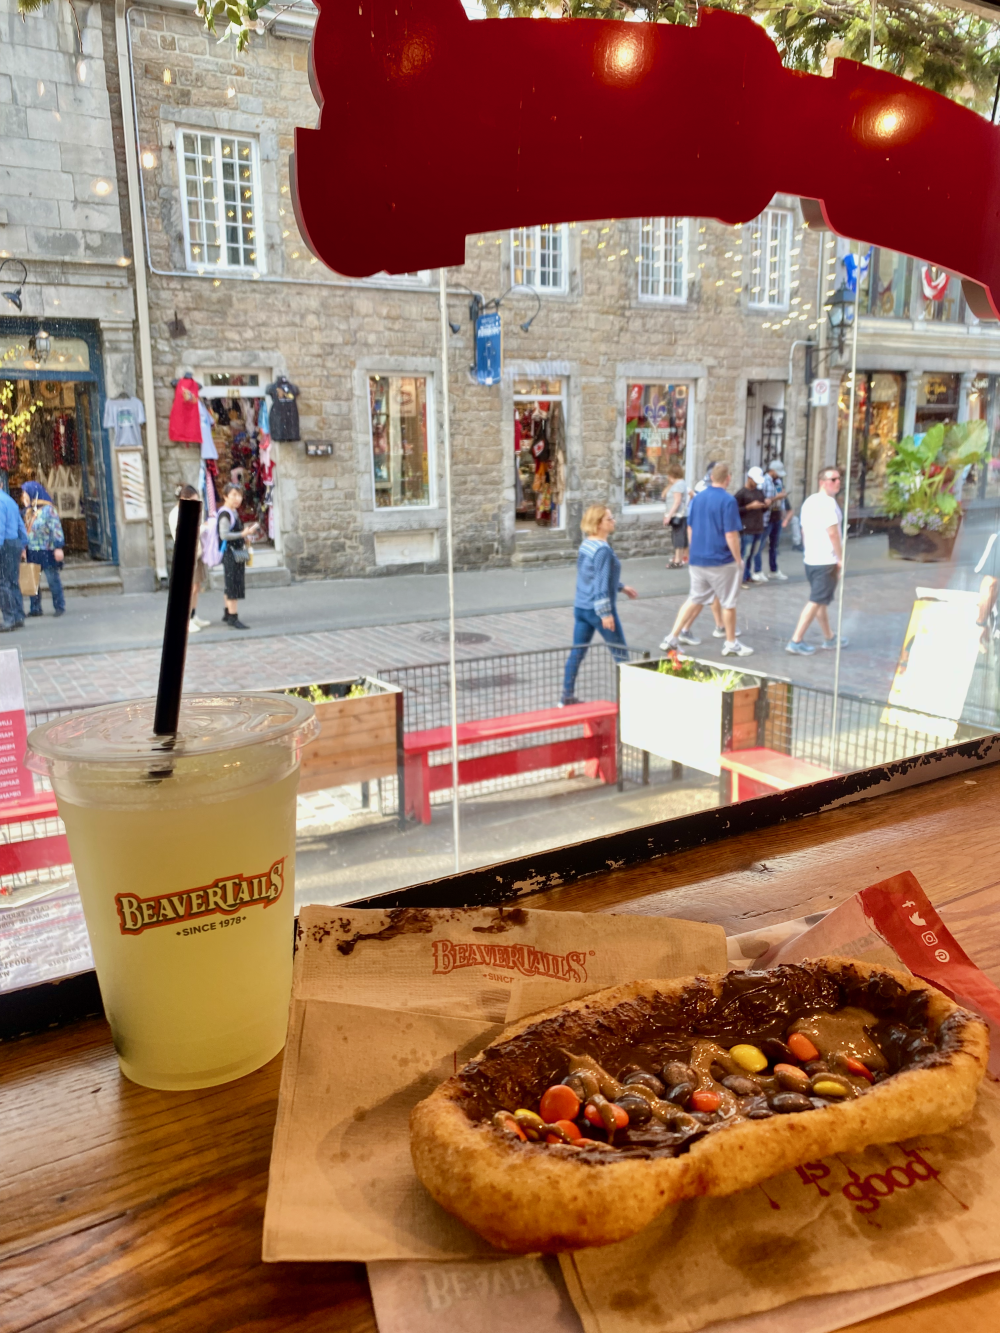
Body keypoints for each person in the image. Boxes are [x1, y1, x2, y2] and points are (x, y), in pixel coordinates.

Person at [659, 461, 753, 658]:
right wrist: (738, 560)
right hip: (721, 560)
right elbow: (731, 534)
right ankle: (731, 643)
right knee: (728, 602)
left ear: (711, 477)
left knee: (694, 598)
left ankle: (672, 637)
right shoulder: (728, 501)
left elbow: (690, 528)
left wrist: (694, 551)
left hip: (698, 559)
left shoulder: (698, 498)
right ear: (728, 479)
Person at [561, 504, 638, 706]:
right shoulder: (602, 550)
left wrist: (621, 587)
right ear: (598, 524)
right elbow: (601, 583)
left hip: (582, 607)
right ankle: (630, 701)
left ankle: (566, 697)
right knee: (621, 655)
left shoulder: (587, 544)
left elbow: (591, 576)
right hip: (598, 610)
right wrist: (605, 613)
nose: (613, 521)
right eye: (609, 519)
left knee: (577, 653)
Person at [785, 465, 849, 655]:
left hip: (812, 560)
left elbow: (804, 530)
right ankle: (796, 640)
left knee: (820, 599)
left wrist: (808, 551)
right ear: (822, 482)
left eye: (838, 479)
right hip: (825, 561)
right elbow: (833, 533)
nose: (837, 482)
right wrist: (840, 558)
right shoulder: (827, 504)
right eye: (833, 479)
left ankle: (829, 637)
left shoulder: (810, 501)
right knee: (816, 600)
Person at [168, 484, 211, 634]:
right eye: (192, 500)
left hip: (196, 552)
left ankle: (193, 615)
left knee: (196, 587)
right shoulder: (176, 514)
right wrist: (203, 528)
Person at [20, 480, 64, 620]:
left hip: (47, 549)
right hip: (32, 550)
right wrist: (23, 548)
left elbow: (56, 528)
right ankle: (35, 608)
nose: (23, 496)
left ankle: (59, 606)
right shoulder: (28, 511)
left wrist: (58, 547)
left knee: (52, 580)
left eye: (25, 493)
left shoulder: (49, 510)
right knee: (32, 581)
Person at [218, 484, 259, 631]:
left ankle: (227, 613)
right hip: (231, 553)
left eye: (240, 495)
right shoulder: (225, 514)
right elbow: (224, 535)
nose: (238, 498)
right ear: (225, 496)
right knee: (233, 585)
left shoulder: (233, 511)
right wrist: (243, 534)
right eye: (234, 495)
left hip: (236, 552)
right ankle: (233, 618)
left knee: (232, 583)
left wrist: (245, 536)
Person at [0, 485, 27, 631]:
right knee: (12, 582)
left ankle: (9, 619)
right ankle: (18, 616)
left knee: (3, 583)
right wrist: (23, 544)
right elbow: (20, 525)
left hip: (4, 543)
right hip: (14, 542)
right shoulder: (9, 500)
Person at [735, 466, 769, 585]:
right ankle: (741, 578)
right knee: (745, 553)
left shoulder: (759, 492)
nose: (756, 484)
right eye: (755, 481)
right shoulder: (741, 493)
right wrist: (749, 507)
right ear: (749, 478)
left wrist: (766, 505)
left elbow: (763, 510)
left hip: (758, 527)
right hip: (746, 528)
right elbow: (734, 510)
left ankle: (747, 575)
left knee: (752, 553)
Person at [762, 459, 793, 581]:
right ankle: (758, 570)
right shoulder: (764, 481)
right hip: (767, 517)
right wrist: (777, 497)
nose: (779, 476)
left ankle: (773, 570)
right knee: (761, 545)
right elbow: (764, 500)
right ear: (772, 471)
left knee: (774, 545)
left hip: (776, 516)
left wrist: (783, 512)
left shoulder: (779, 482)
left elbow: (781, 499)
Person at [662, 461, 691, 568]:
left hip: (678, 515)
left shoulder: (678, 485)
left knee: (678, 537)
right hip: (679, 515)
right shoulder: (679, 484)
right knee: (678, 536)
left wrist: (668, 516)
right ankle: (679, 559)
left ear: (672, 474)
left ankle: (678, 560)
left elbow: (677, 502)